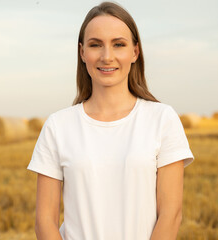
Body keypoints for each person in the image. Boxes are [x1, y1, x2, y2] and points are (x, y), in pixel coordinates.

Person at [27, 2, 194, 240]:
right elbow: (44, 222)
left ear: (135, 52)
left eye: (119, 44)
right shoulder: (57, 126)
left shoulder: (162, 119)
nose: (107, 57)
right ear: (82, 52)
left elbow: (171, 214)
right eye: (96, 45)